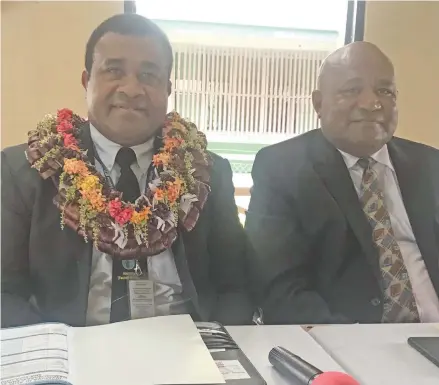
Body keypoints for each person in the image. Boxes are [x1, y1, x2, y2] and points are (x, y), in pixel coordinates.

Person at [1, 14, 252, 328]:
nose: (132, 89)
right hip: (75, 350)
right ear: (86, 81)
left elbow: (235, 287)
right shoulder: (29, 170)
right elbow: (5, 293)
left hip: (185, 349)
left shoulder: (203, 172)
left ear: (168, 89)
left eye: (149, 74)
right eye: (114, 70)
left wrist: (216, 347)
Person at [246, 41, 439, 325]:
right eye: (352, 90)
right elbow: (280, 289)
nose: (372, 103)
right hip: (346, 343)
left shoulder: (429, 165)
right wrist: (356, 345)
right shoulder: (281, 168)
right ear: (318, 103)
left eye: (384, 91)